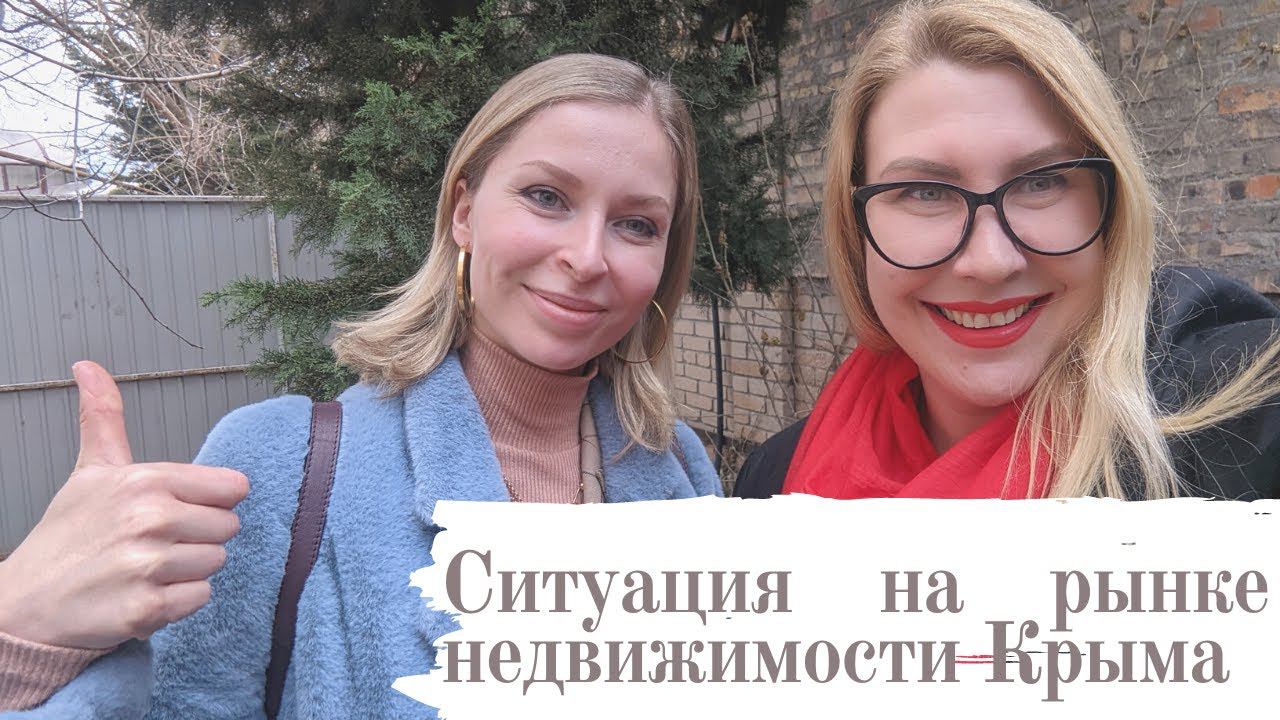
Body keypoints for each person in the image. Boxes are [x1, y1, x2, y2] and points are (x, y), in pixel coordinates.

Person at [0, 53, 721, 717]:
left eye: (636, 224)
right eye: (546, 197)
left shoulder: (680, 472)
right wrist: (26, 639)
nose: (588, 257)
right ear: (464, 212)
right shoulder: (281, 465)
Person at [735, 0, 1280, 501]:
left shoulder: (1242, 420)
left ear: (1111, 205)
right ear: (855, 223)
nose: (991, 261)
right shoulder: (772, 483)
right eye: (925, 192)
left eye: (1042, 182)